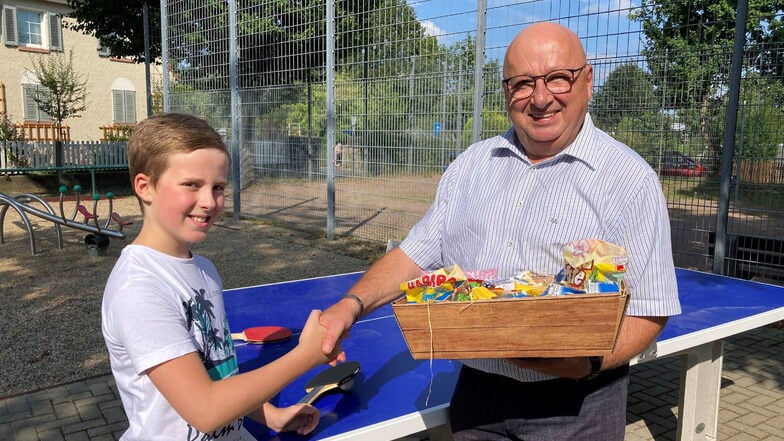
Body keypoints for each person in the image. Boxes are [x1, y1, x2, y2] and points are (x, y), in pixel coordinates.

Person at [318, 22, 681, 441]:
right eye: (523, 83)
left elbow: (650, 309)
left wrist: (587, 364)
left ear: (587, 81)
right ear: (507, 91)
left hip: (579, 404)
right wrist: (352, 304)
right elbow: (416, 254)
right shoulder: (470, 167)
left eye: (557, 78)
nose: (541, 98)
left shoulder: (629, 179)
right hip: (478, 394)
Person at [102, 113, 341, 440]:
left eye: (218, 187)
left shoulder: (203, 270)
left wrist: (268, 415)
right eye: (191, 185)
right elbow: (206, 410)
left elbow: (218, 371)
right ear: (145, 187)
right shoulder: (139, 289)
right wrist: (305, 356)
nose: (208, 201)